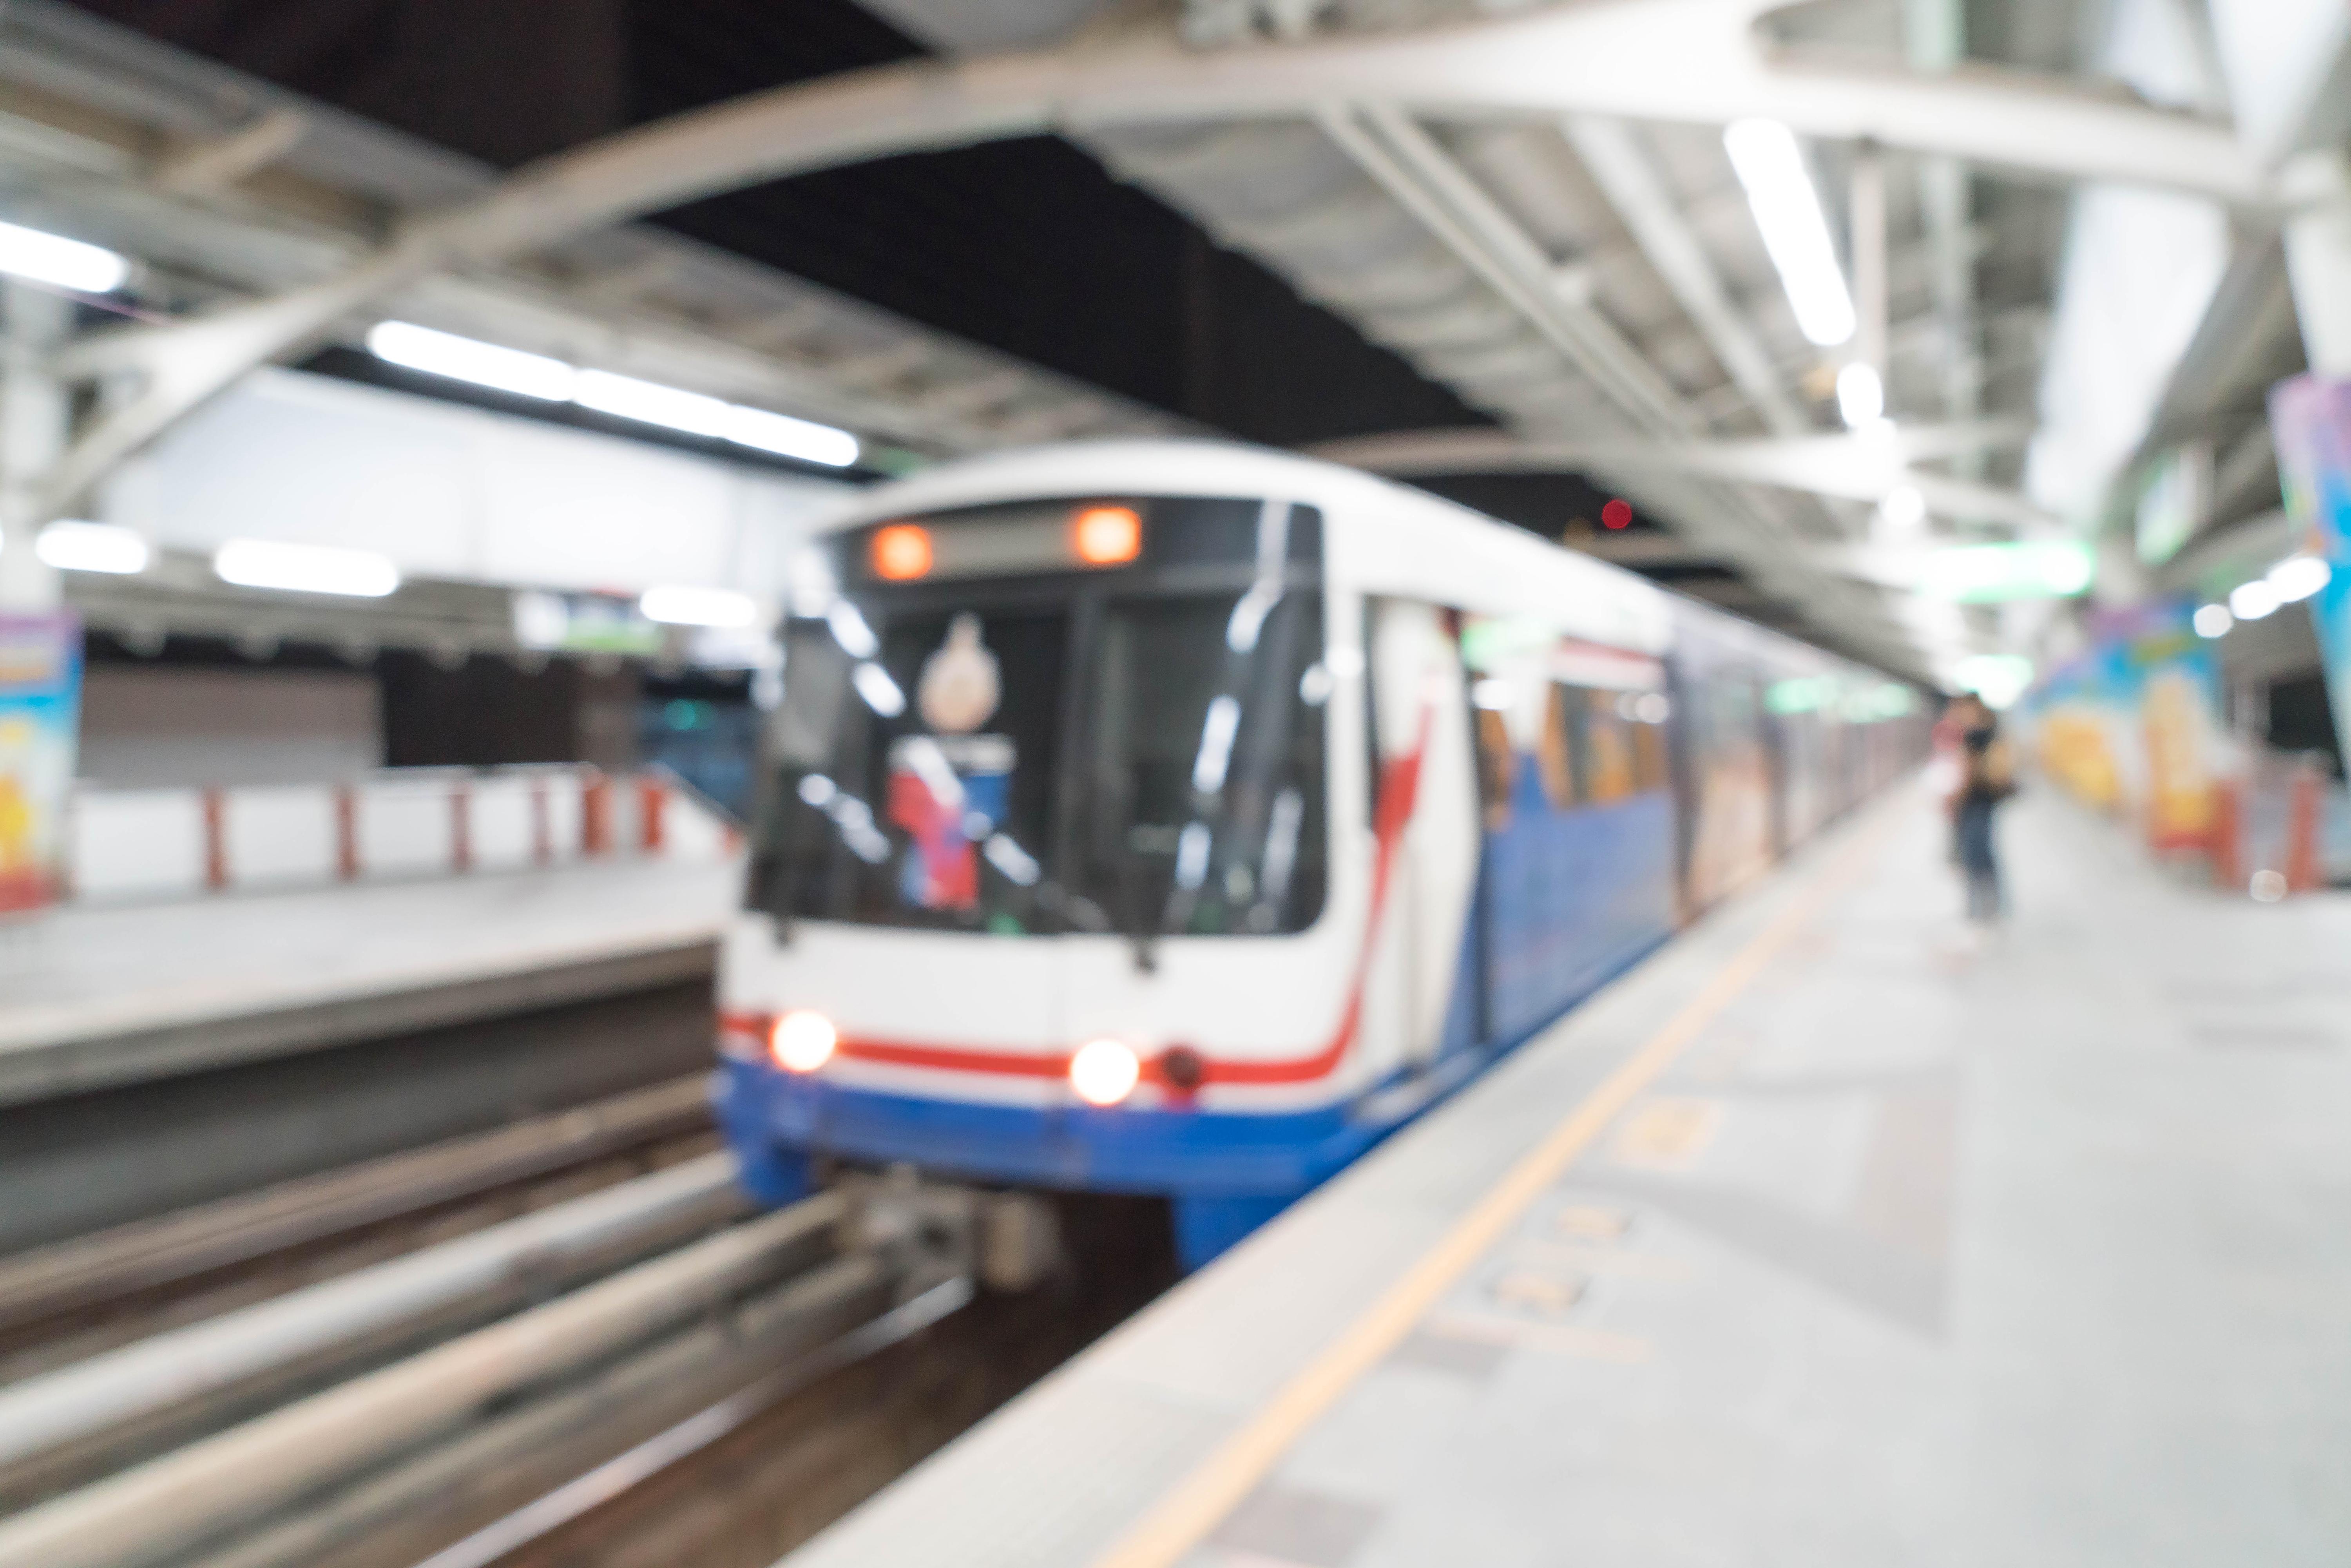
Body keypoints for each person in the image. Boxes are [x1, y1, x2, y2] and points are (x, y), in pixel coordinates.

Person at [1951, 695, 2015, 922]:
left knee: (1974, 855)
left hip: (1974, 802)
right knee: (1986, 853)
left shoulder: (1974, 736)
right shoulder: (1993, 730)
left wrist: (1953, 799)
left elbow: (1966, 776)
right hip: (1988, 801)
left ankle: (1981, 912)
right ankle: (1996, 906)